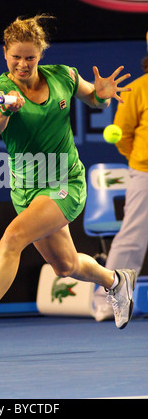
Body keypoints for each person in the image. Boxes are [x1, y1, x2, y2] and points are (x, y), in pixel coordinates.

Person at [0, 14, 136, 354]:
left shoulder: (64, 76)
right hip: (26, 190)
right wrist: (7, 108)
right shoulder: (1, 89)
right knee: (66, 266)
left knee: (12, 238)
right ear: (5, 54)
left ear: (40, 55)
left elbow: (95, 99)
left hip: (65, 182)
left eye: (30, 57)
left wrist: (102, 96)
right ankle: (117, 281)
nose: (22, 64)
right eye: (16, 57)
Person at [93, 33, 148, 322]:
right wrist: (141, 159)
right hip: (145, 172)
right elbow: (123, 135)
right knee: (132, 240)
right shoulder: (137, 89)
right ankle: (105, 301)